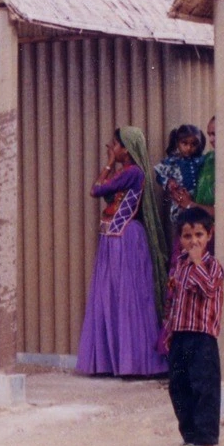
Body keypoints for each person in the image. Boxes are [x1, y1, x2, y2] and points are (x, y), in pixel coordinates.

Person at [75, 127, 170, 377]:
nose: (112, 149)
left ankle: (133, 364)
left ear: (126, 149)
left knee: (128, 297)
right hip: (113, 238)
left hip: (125, 238)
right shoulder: (125, 173)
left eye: (115, 145)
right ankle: (115, 362)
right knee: (112, 296)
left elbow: (96, 190)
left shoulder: (132, 173)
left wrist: (107, 164)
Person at [162, 206, 223, 446]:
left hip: (202, 336)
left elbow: (208, 289)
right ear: (180, 239)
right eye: (187, 236)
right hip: (180, 334)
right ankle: (190, 436)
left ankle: (207, 440)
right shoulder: (179, 264)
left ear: (209, 235)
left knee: (204, 386)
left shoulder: (212, 266)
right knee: (179, 385)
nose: (194, 241)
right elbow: (173, 300)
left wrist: (198, 262)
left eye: (199, 234)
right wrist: (168, 331)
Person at [152, 124, 210, 248]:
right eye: (185, 143)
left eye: (193, 144)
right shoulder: (172, 162)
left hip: (198, 200)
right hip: (180, 201)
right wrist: (168, 183)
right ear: (177, 143)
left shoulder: (201, 160)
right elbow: (159, 175)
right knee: (183, 229)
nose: (189, 148)